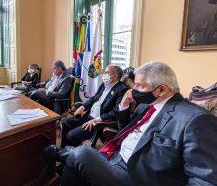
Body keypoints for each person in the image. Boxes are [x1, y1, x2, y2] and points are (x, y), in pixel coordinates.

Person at [44, 61, 217, 186]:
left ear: (162, 90)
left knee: (82, 154)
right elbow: (124, 129)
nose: (133, 91)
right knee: (73, 168)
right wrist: (123, 107)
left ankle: (64, 153)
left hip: (137, 176)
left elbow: (204, 178)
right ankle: (66, 157)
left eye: (139, 86)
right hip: (115, 157)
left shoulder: (195, 118)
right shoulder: (146, 105)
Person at [61, 65, 129, 147]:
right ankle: (63, 149)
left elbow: (115, 112)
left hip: (99, 122)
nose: (104, 74)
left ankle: (72, 155)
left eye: (107, 72)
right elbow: (94, 98)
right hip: (88, 115)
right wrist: (82, 107)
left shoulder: (122, 89)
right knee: (65, 122)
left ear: (115, 76)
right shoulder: (104, 84)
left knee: (71, 135)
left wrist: (95, 120)